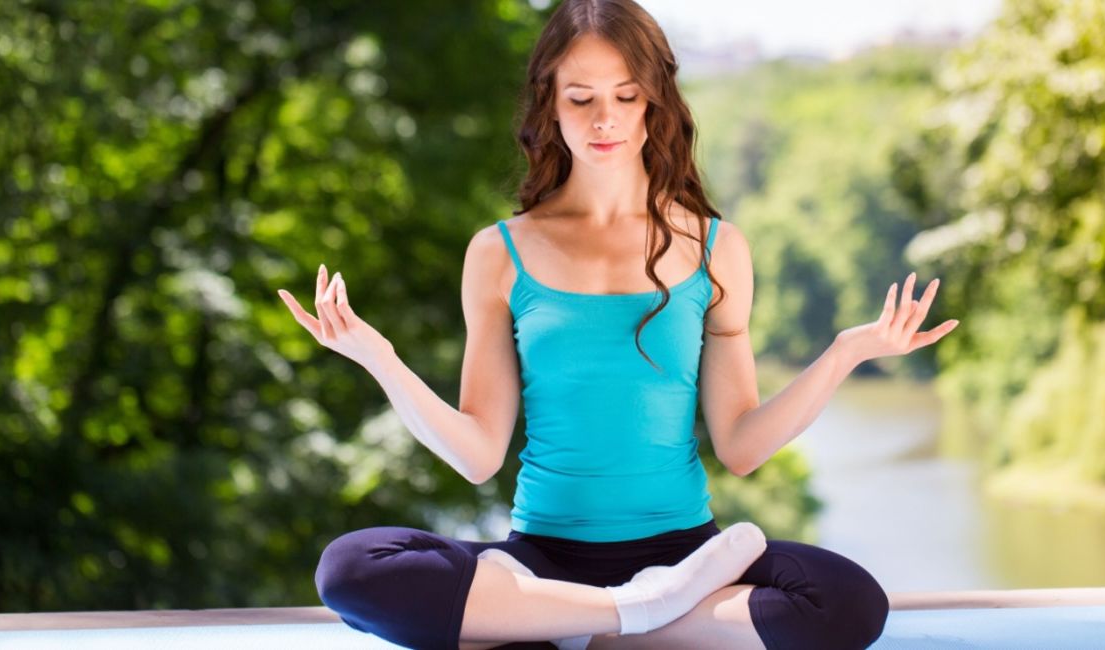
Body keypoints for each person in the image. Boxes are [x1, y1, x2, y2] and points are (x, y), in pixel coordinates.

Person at [278, 1, 959, 648]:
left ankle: (552, 628)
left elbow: (742, 446)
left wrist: (846, 353)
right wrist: (378, 357)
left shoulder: (717, 248)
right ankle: (624, 618)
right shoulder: (498, 253)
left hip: (685, 557)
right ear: (549, 101)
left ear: (655, 100)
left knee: (847, 601)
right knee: (352, 569)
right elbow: (478, 454)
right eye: (581, 98)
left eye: (626, 96)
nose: (605, 119)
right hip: (542, 559)